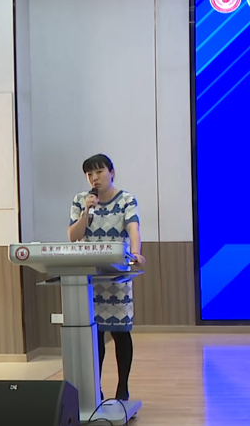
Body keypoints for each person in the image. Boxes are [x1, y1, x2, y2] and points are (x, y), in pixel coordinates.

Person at [67, 154, 145, 401]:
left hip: (116, 277)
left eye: (99, 172)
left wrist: (136, 253)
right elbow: (73, 236)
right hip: (90, 277)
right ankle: (95, 389)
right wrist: (86, 211)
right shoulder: (81, 200)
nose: (94, 178)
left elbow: (133, 228)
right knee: (95, 335)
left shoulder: (126, 199)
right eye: (89, 174)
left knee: (121, 333)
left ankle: (123, 388)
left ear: (112, 172)